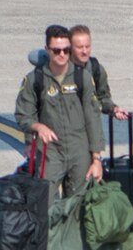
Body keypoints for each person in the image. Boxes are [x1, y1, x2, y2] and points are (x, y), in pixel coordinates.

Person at [17, 24, 103, 198]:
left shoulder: (82, 78)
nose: (62, 54)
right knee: (45, 202)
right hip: (50, 151)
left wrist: (96, 159)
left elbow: (93, 118)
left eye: (66, 50)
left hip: (79, 149)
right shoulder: (35, 79)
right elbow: (23, 114)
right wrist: (38, 127)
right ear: (47, 49)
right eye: (57, 51)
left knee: (80, 206)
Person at [70, 25, 128, 121]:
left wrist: (114, 109)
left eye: (87, 46)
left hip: (89, 125)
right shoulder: (61, 69)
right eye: (80, 47)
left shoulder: (96, 69)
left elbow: (103, 97)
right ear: (70, 48)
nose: (85, 51)